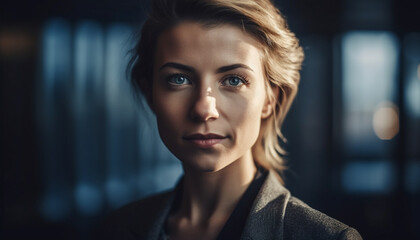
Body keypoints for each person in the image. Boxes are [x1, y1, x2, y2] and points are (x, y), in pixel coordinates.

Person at [96, 0, 363, 239]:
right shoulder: (117, 229)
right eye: (179, 79)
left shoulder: (325, 237)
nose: (204, 108)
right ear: (150, 93)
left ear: (270, 99)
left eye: (233, 80)